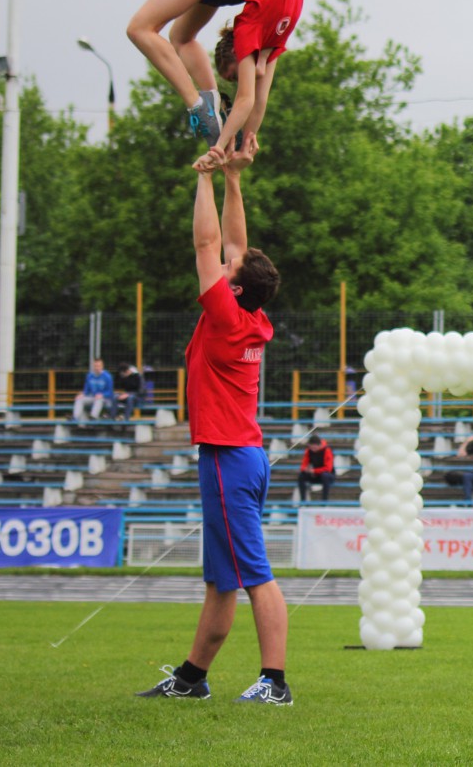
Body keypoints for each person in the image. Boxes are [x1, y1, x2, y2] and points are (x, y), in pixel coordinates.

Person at [139, 137, 291, 705]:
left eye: (229, 268)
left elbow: (209, 242)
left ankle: (274, 683)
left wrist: (203, 174)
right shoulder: (250, 313)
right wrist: (232, 177)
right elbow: (233, 245)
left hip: (229, 457)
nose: (225, 261)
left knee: (254, 574)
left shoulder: (226, 314)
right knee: (221, 578)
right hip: (238, 455)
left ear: (233, 285)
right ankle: (192, 677)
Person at [127, 0, 304, 152]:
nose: (248, 75)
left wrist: (233, 147)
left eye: (234, 75)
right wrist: (234, 147)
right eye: (237, 75)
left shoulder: (255, 34)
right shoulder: (257, 37)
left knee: (155, 32)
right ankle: (204, 106)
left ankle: (206, 107)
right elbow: (254, 100)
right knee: (150, 32)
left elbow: (253, 100)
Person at [73, 358, 114, 423]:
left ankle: (93, 417)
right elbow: (86, 390)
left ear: (102, 366)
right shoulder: (89, 376)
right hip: (93, 397)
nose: (97, 368)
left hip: (105, 399)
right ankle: (75, 417)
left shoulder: (107, 376)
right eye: (95, 366)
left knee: (99, 400)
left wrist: (102, 395)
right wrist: (82, 394)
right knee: (79, 399)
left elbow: (110, 392)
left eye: (98, 366)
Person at [297, 435, 335, 503]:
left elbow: (328, 468)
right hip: (315, 474)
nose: (313, 450)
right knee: (301, 476)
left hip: (328, 475)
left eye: (315, 447)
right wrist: (305, 469)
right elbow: (303, 464)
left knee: (325, 476)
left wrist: (314, 471)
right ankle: (303, 501)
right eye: (311, 447)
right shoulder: (308, 451)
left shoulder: (327, 450)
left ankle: (324, 502)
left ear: (319, 445)